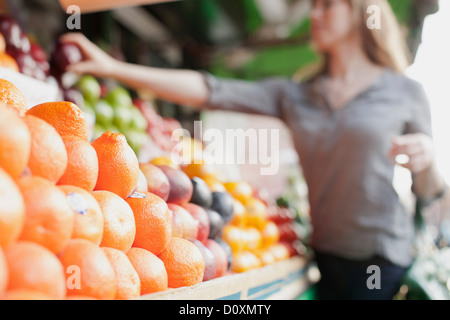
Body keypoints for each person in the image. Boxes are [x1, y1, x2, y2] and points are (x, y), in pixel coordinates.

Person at [61, 0, 446, 300]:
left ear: (363, 11)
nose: (314, 13)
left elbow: (430, 192)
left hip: (381, 260)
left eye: (327, 4)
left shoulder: (405, 92)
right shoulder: (297, 94)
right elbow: (211, 89)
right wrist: (112, 67)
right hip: (325, 255)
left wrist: (427, 157)